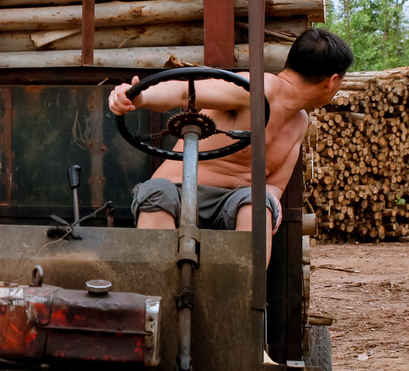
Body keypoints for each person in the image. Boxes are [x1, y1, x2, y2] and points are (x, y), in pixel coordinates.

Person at [108, 28, 353, 258]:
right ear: (331, 81)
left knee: (258, 203)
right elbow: (186, 92)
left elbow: (275, 186)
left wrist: (269, 207)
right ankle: (155, 297)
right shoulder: (258, 90)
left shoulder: (300, 122)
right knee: (156, 191)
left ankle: (245, 298)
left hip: (233, 206)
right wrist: (139, 97)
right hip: (179, 193)